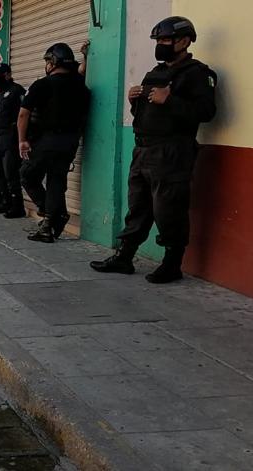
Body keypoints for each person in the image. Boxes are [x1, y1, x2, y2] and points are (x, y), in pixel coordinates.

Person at [91, 16, 216, 283]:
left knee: (169, 209)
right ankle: (124, 257)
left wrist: (170, 99)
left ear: (184, 41)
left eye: (166, 40)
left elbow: (205, 112)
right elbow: (146, 112)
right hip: (143, 149)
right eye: (158, 40)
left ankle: (172, 264)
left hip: (171, 151)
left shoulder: (198, 73)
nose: (160, 45)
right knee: (138, 206)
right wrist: (134, 101)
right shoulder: (155, 72)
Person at [19, 43, 91, 243]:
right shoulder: (80, 84)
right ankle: (49, 226)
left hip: (47, 140)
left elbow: (23, 114)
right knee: (56, 180)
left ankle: (53, 213)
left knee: (27, 175)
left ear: (52, 62)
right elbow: (82, 71)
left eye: (47, 61)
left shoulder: (43, 84)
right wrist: (86, 56)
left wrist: (22, 140)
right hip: (70, 141)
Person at [0, 63, 27, 217]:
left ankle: (17, 206)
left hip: (10, 137)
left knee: (10, 172)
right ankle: (5, 202)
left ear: (7, 74)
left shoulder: (16, 91)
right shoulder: (0, 92)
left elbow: (24, 114)